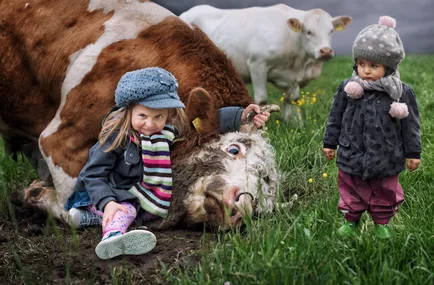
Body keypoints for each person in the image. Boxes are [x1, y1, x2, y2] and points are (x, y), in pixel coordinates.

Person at [64, 67, 270, 259]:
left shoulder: (166, 131)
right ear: (128, 111)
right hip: (106, 191)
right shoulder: (115, 137)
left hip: (133, 191)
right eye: (142, 115)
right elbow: (93, 175)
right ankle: (113, 238)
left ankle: (86, 218)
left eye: (158, 116)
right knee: (127, 210)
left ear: (168, 115)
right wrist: (108, 203)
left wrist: (240, 116)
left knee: (137, 207)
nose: (150, 124)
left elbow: (205, 121)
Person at [322, 16, 421, 239]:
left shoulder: (401, 93)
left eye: (374, 66)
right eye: (361, 64)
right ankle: (350, 220)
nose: (365, 71)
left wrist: (413, 152)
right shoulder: (348, 88)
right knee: (350, 186)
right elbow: (335, 116)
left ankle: (382, 221)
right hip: (351, 152)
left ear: (389, 67)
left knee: (385, 188)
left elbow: (411, 125)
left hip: (386, 154)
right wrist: (330, 142)